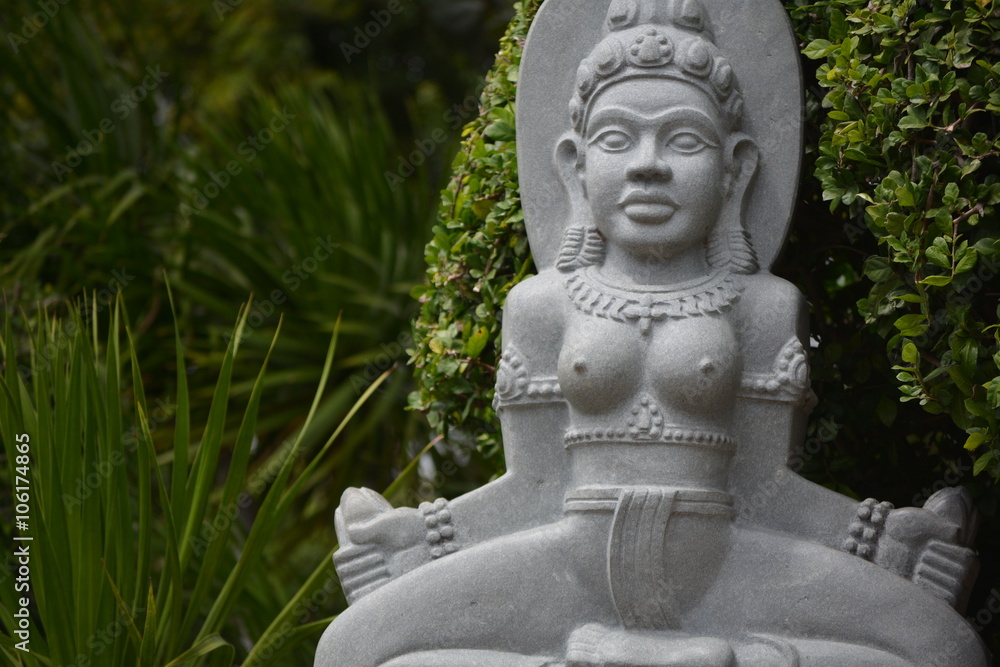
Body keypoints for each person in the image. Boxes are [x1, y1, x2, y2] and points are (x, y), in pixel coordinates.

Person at [316, 1, 987, 664]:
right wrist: (421, 538)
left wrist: (886, 539)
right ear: (574, 166)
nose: (647, 165)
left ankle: (677, 656)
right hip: (569, 561)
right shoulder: (542, 305)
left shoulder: (763, 307)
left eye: (683, 139)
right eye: (616, 138)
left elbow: (769, 486)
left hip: (730, 559)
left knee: (944, 647)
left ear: (737, 167)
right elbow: (531, 484)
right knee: (349, 649)